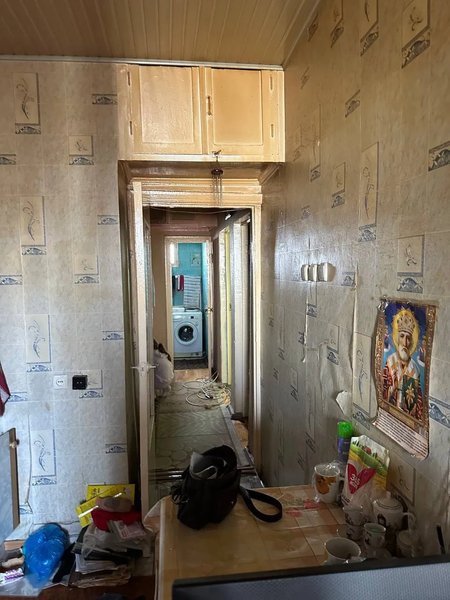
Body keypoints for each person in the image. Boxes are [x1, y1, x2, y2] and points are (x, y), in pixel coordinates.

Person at [382, 307, 423, 420]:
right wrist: (392, 388)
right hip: (389, 416)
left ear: (412, 342)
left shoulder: (415, 369)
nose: (405, 342)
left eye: (408, 338)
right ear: (397, 338)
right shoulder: (390, 361)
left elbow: (419, 406)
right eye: (402, 336)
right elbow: (382, 391)